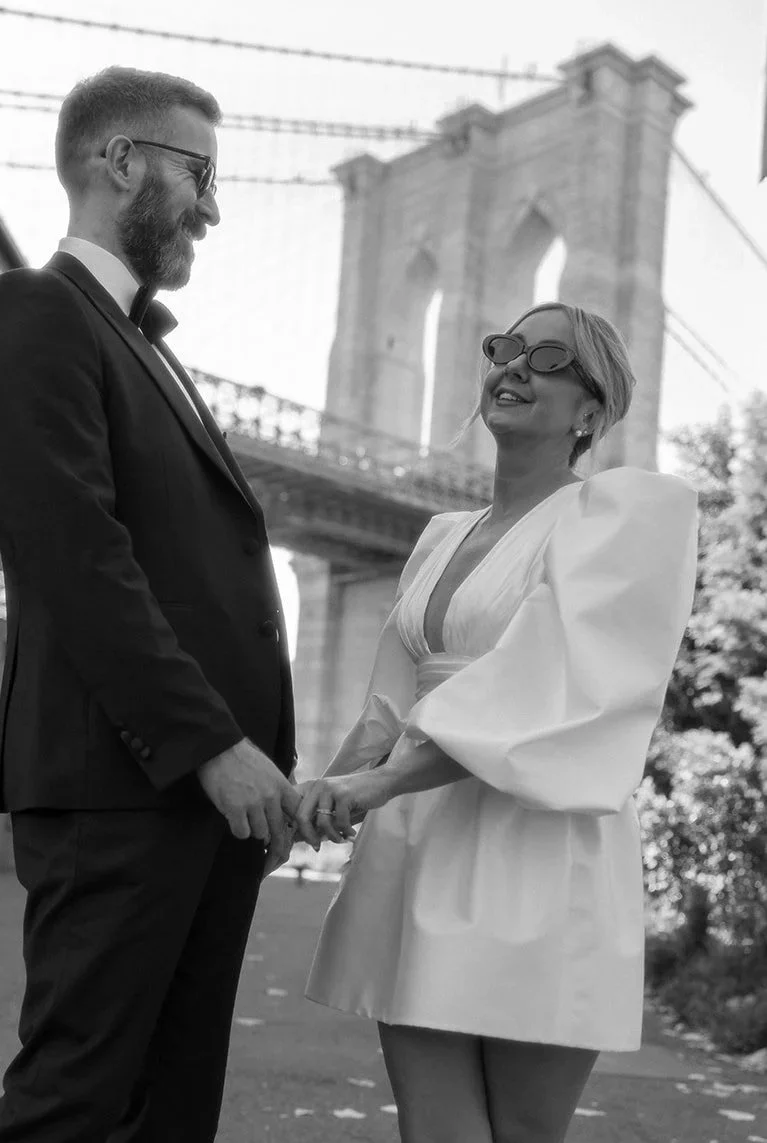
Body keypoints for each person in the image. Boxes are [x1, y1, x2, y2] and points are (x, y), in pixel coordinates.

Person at [0, 66, 299, 1143]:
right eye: (198, 174)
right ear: (121, 163)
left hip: (198, 801)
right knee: (71, 1105)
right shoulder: (35, 312)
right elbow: (78, 557)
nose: (212, 205)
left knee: (168, 1107)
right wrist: (211, 742)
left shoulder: (153, 349)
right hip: (125, 784)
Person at [295, 302, 698, 1143]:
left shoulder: (622, 515)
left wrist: (379, 781)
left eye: (548, 358)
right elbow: (385, 708)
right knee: (432, 1127)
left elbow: (555, 687)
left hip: (537, 846)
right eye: (504, 348)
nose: (513, 365)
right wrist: (307, 809)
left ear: (592, 412)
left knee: (520, 1131)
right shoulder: (439, 536)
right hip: (417, 838)